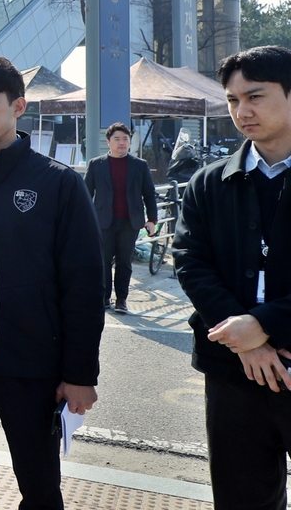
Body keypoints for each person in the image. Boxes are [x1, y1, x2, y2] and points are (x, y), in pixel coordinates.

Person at [0, 56, 104, 510]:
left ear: (18, 106)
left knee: (39, 488)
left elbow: (84, 284)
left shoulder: (58, 182)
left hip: (32, 364)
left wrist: (79, 374)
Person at [174, 45, 291, 509]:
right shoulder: (209, 182)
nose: (242, 112)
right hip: (232, 371)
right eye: (233, 100)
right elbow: (191, 261)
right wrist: (245, 339)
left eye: (255, 96)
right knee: (242, 497)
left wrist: (264, 324)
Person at [84, 122, 158, 314]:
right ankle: (104, 297)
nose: (122, 143)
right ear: (108, 141)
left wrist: (152, 220)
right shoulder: (96, 164)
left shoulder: (139, 165)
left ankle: (121, 299)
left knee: (124, 262)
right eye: (117, 139)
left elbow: (149, 194)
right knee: (104, 261)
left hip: (130, 222)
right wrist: (83, 221)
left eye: (125, 139)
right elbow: (85, 194)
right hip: (103, 221)